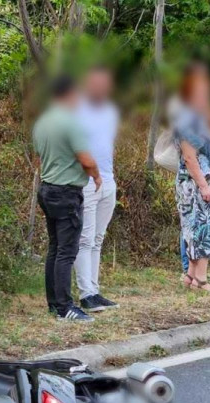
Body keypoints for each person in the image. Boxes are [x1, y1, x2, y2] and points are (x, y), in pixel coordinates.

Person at [32, 75, 102, 322]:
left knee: (55, 248)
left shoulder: (42, 123)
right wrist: (95, 175)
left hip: (48, 188)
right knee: (67, 251)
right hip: (66, 192)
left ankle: (53, 303)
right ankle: (65, 307)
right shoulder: (71, 123)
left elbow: (38, 158)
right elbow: (86, 158)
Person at [74, 65, 120, 313]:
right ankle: (85, 293)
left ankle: (95, 289)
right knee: (85, 237)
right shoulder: (78, 109)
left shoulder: (110, 111)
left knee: (99, 238)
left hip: (108, 180)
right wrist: (90, 173)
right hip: (87, 181)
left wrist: (109, 176)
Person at [174, 61, 210, 294]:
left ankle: (191, 276)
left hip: (204, 178)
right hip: (196, 181)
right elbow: (190, 157)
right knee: (201, 228)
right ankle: (202, 279)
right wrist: (204, 185)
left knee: (196, 227)